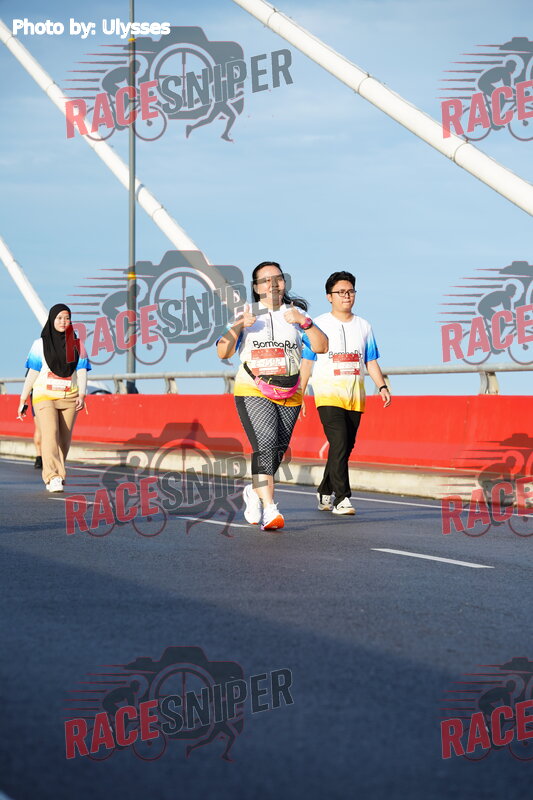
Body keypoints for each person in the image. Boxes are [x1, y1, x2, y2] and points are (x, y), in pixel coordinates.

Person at [217, 261, 328, 530]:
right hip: (253, 389)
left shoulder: (296, 315)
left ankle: (253, 491)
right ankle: (270, 508)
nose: (272, 284)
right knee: (265, 443)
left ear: (284, 283)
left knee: (276, 450)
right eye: (265, 280)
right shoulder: (246, 314)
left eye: (277, 278)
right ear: (256, 288)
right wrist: (238, 326)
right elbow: (223, 352)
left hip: (289, 391)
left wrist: (305, 322)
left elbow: (322, 346)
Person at [300, 271, 391, 515]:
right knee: (339, 442)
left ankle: (324, 488)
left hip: (355, 396)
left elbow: (370, 361)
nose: (346, 296)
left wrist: (382, 386)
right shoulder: (317, 325)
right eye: (341, 292)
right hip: (327, 394)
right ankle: (342, 498)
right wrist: (300, 393)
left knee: (344, 447)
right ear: (329, 296)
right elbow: (307, 362)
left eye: (350, 291)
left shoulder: (364, 326)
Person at [17, 304, 91, 492]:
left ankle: (56, 472)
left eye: (67, 318)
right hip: (44, 396)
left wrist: (82, 394)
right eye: (59, 318)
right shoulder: (39, 344)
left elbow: (82, 371)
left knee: (64, 440)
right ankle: (54, 476)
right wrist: (23, 398)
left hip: (69, 396)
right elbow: (33, 373)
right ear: (51, 320)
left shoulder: (78, 344)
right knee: (50, 434)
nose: (63, 322)